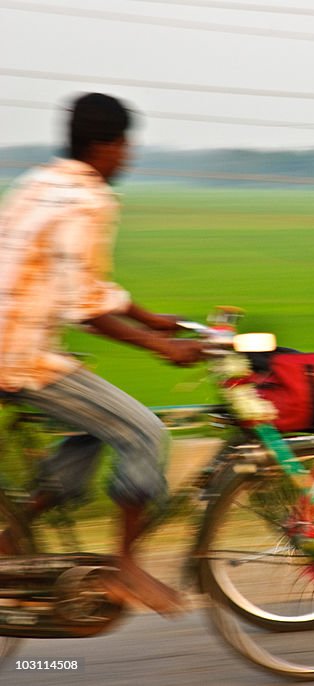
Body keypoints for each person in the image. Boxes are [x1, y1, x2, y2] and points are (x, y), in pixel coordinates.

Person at [0, 93, 204, 613]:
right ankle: (125, 567)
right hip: (16, 354)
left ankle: (11, 536)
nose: (128, 157)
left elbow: (82, 281)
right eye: (124, 145)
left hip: (17, 344)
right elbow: (85, 307)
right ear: (104, 145)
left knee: (92, 425)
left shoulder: (41, 183)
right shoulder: (89, 199)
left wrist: (150, 317)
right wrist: (164, 346)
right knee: (142, 431)